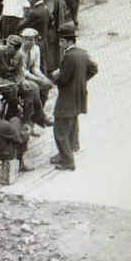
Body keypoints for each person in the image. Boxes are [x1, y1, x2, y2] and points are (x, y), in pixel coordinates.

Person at [48, 23, 98, 171]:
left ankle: (67, 161)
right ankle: (70, 149)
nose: (60, 43)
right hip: (80, 95)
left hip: (67, 98)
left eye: (62, 41)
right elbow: (94, 69)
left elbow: (63, 80)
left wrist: (54, 77)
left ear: (69, 41)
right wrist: (81, 80)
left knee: (60, 129)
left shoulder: (68, 57)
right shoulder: (82, 53)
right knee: (72, 122)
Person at [18, 28, 54, 129]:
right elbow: (23, 71)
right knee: (35, 88)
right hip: (20, 76)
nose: (29, 42)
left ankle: (37, 114)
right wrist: (37, 80)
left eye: (32, 39)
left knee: (46, 86)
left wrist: (43, 78)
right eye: (26, 39)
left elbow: (35, 68)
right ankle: (39, 116)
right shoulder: (19, 51)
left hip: (29, 74)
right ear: (22, 39)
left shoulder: (36, 49)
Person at [18, 0, 50, 71]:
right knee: (43, 65)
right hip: (44, 40)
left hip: (34, 43)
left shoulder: (33, 12)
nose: (28, 0)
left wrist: (23, 16)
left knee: (33, 67)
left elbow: (21, 26)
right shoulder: (46, 8)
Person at [40, 0, 68, 73]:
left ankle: (52, 71)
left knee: (51, 51)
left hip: (52, 28)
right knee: (56, 50)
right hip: (59, 27)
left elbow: (49, 13)